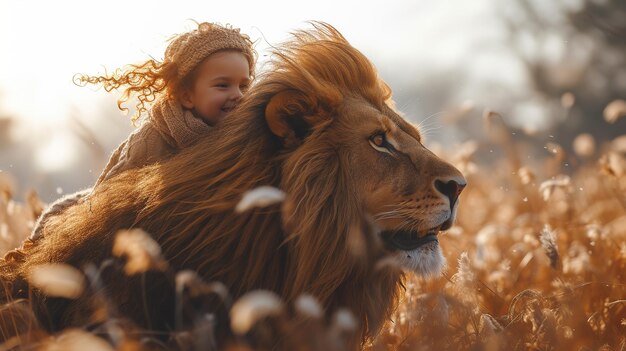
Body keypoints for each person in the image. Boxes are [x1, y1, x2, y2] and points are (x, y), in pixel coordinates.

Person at [28, 21, 257, 241]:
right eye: (223, 85)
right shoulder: (154, 139)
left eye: (243, 85)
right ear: (187, 95)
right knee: (58, 222)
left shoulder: (242, 134)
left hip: (199, 226)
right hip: (134, 217)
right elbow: (109, 196)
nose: (237, 95)